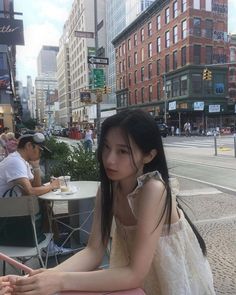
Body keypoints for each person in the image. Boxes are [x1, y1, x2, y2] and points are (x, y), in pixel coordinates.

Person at [6, 110, 215, 295]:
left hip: (171, 277)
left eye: (122, 151)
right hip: (130, 278)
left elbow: (135, 273)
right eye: (106, 147)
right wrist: (44, 277)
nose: (109, 160)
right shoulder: (107, 190)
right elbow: (94, 251)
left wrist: (59, 280)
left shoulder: (154, 189)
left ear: (149, 155)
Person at [0, 131, 59, 197]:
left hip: (10, 203)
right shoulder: (15, 161)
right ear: (29, 146)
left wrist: (36, 168)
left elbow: (36, 186)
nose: (40, 154)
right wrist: (52, 186)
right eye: (40, 150)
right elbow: (30, 192)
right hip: (5, 205)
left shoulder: (22, 160)